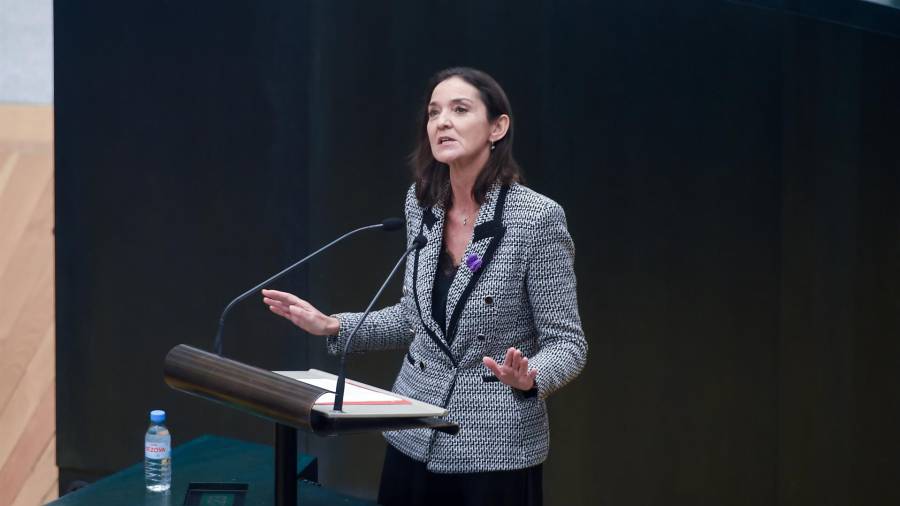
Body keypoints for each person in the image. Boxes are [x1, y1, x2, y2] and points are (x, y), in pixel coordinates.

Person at [262, 67, 587, 506]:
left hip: (496, 448)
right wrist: (333, 326)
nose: (442, 122)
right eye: (434, 113)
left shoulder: (537, 220)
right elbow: (413, 318)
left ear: (498, 127)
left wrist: (529, 378)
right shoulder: (422, 204)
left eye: (459, 109)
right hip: (412, 433)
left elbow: (568, 344)